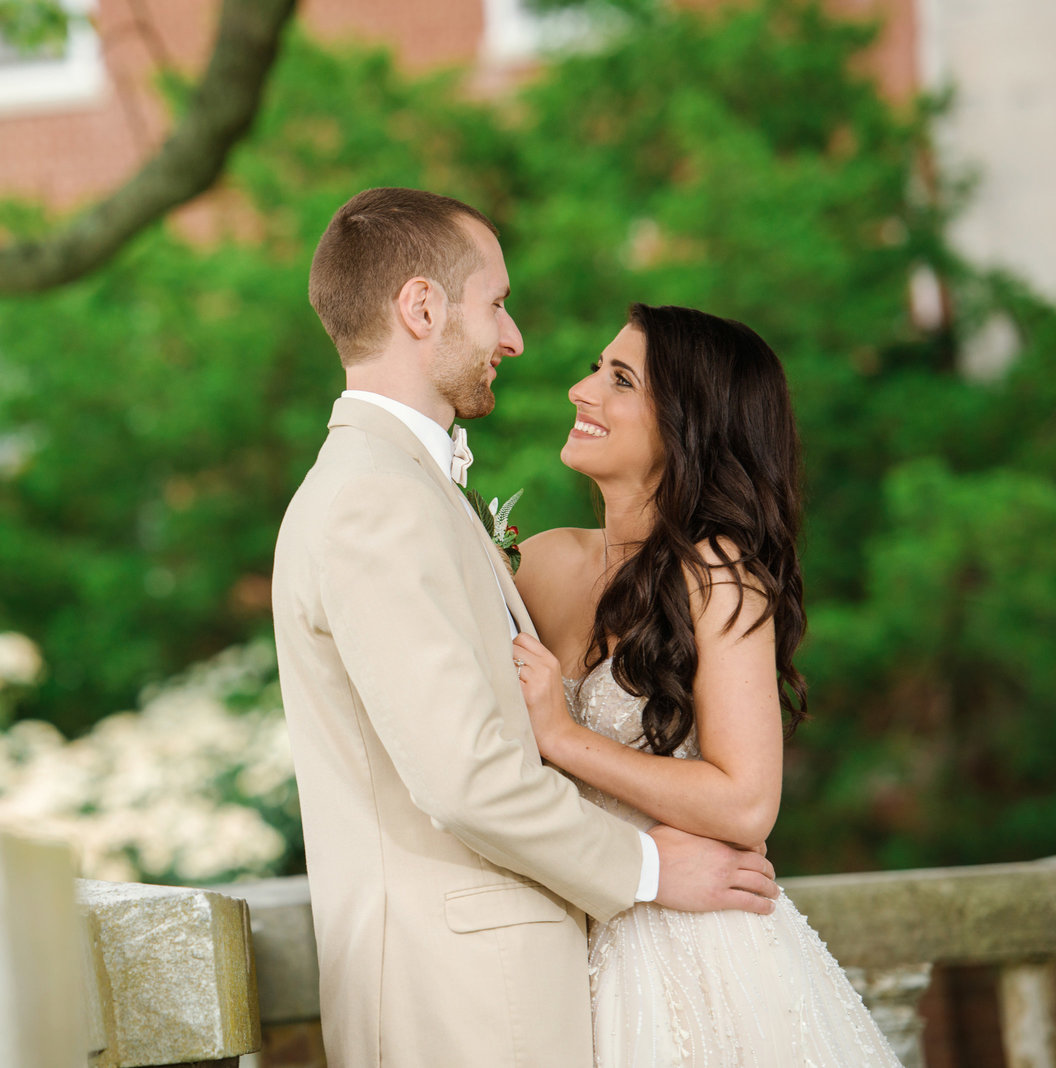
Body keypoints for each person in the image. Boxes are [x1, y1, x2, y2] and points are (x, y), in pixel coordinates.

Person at [271, 188, 779, 1068]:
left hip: (567, 974)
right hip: (467, 997)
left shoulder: (405, 494)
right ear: (422, 308)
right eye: (496, 304)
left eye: (621, 378)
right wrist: (652, 870)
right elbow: (468, 777)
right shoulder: (375, 503)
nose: (515, 339)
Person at [510, 303, 903, 1066]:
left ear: (687, 425)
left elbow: (748, 804)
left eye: (619, 379)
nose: (581, 392)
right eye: (596, 368)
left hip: (686, 953)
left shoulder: (717, 576)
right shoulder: (542, 564)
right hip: (561, 939)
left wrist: (563, 737)